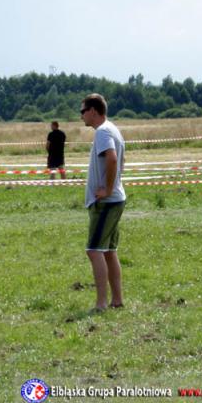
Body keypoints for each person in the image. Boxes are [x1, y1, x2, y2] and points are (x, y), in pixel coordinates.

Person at [81, 93, 126, 312]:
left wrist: (107, 189)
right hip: (114, 199)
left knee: (94, 250)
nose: (81, 116)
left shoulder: (103, 132)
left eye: (83, 111)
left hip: (107, 202)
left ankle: (101, 303)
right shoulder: (112, 128)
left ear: (93, 111)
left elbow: (112, 158)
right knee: (108, 251)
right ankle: (117, 300)